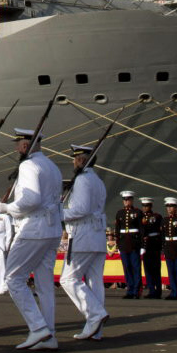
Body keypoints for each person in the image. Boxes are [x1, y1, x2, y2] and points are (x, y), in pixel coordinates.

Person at [0, 128, 63, 351]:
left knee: (13, 278)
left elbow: (31, 200)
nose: (16, 148)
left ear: (25, 145)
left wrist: (7, 207)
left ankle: (38, 328)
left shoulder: (28, 165)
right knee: (44, 285)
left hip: (33, 229)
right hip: (53, 230)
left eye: (18, 144)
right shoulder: (52, 166)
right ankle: (50, 336)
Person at [60, 144, 110, 340]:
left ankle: (96, 314)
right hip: (97, 236)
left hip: (82, 235)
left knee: (68, 279)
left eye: (76, 158)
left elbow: (80, 210)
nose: (74, 162)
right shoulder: (98, 181)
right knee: (94, 281)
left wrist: (57, 213)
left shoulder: (82, 180)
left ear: (81, 160)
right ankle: (95, 329)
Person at [114, 190, 143, 299]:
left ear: (132, 200)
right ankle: (130, 290)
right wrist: (118, 245)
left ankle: (136, 290)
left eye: (128, 199)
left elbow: (141, 230)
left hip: (134, 244)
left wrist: (142, 246)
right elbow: (117, 230)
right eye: (124, 200)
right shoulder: (120, 213)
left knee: (136, 267)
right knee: (127, 268)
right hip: (123, 244)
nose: (126, 201)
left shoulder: (138, 212)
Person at [161, 197, 177, 300]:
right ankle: (173, 291)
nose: (169, 208)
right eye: (167, 206)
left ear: (175, 207)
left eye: (171, 206)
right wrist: (163, 248)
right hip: (168, 247)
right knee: (171, 271)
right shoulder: (164, 220)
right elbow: (162, 235)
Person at [139, 197, 163, 299]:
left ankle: (158, 290)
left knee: (156, 269)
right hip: (145, 246)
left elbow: (161, 231)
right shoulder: (140, 217)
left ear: (151, 206)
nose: (145, 208)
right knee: (147, 269)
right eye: (144, 206)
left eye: (147, 205)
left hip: (154, 245)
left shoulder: (156, 216)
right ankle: (151, 290)